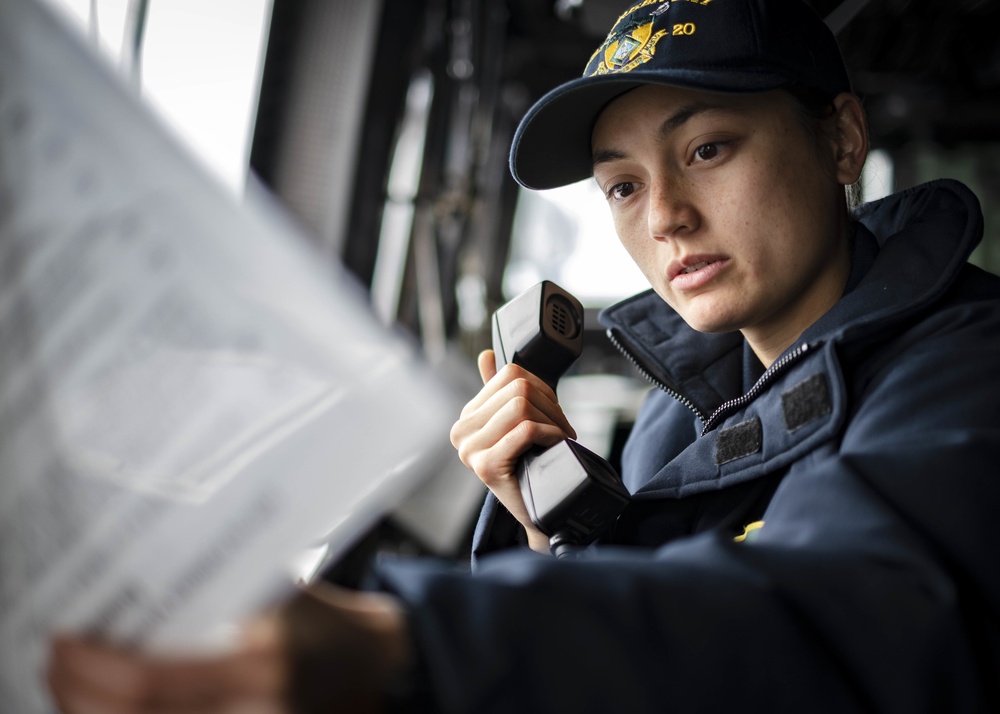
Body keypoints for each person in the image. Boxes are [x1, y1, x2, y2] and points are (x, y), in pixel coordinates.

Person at [47, 0, 1000, 711]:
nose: (664, 214)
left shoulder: (967, 366)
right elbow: (669, 638)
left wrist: (410, 644)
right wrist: (552, 522)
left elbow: (848, 617)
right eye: (622, 187)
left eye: (707, 149)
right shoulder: (684, 403)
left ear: (840, 139)